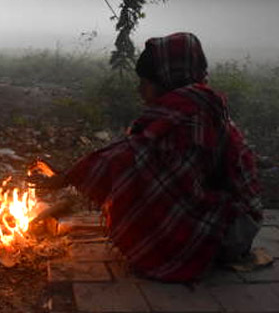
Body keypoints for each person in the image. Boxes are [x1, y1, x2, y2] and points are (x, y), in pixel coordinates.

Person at [32, 33, 262, 282]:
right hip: (237, 224)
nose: (139, 89)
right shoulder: (201, 105)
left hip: (223, 232)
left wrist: (67, 177)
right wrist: (71, 174)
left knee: (140, 179)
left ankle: (172, 252)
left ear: (167, 80)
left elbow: (128, 159)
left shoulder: (187, 117)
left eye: (145, 82)